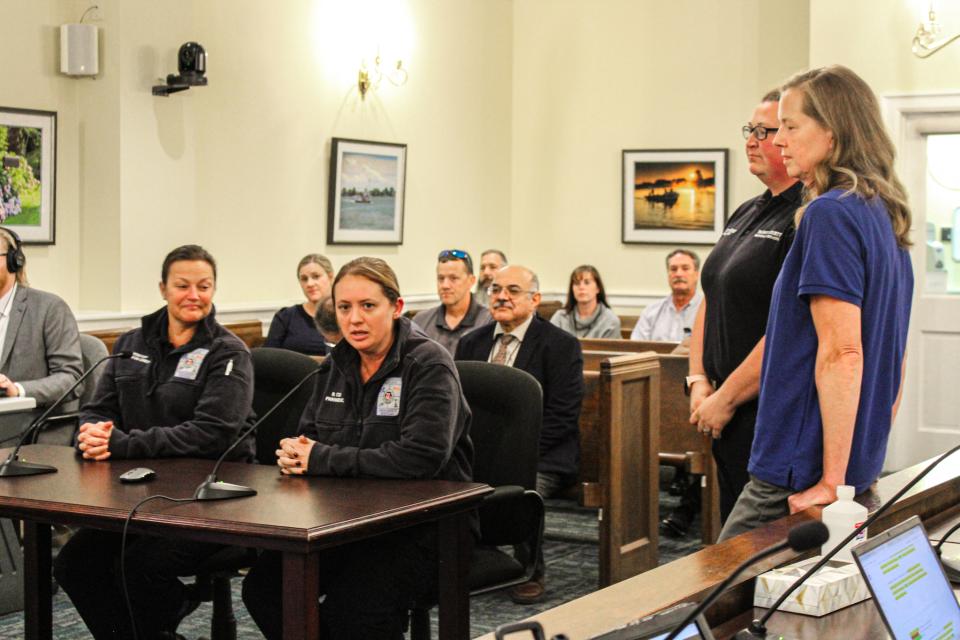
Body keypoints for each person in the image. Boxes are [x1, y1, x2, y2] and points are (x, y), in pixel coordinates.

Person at [718, 66, 913, 540]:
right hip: (853, 460)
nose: (778, 140)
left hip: (798, 463)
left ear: (832, 131)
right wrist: (861, 454)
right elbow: (894, 356)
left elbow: (843, 352)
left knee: (707, 599)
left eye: (790, 125)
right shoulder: (883, 214)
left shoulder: (830, 214)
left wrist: (830, 479)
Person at [241, 257, 473, 640]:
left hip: (424, 526)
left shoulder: (428, 363)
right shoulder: (336, 364)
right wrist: (295, 454)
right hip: (345, 520)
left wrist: (321, 458)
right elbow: (309, 436)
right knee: (266, 588)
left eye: (368, 306)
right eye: (345, 308)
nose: (355, 319)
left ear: (396, 308)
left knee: (356, 609)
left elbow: (422, 457)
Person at [53, 245, 257, 640]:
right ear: (163, 288)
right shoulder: (132, 342)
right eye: (183, 285)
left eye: (204, 286)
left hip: (206, 500)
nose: (193, 295)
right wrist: (92, 434)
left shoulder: (228, 352)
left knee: (139, 567)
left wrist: (121, 444)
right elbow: (97, 409)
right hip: (136, 495)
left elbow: (212, 432)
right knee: (74, 565)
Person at [684, 90, 802, 527]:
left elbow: (791, 326)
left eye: (765, 131)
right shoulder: (747, 211)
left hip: (761, 406)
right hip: (722, 403)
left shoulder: (804, 215)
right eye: (749, 130)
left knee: (754, 540)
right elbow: (711, 297)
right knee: (730, 523)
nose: (752, 140)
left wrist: (727, 398)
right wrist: (698, 379)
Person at [456, 264, 583, 604]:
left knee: (524, 485)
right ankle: (468, 560)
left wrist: (516, 452)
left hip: (544, 453)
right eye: (495, 289)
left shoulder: (560, 346)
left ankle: (530, 568)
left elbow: (562, 415)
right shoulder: (471, 343)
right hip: (478, 451)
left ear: (535, 299)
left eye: (513, 290)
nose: (501, 297)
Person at [0, 226, 83, 444]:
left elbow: (71, 378)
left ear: (13, 261)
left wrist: (16, 389)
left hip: (28, 429)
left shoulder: (49, 308)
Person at [412, 249, 492, 355]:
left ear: (471, 281)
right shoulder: (421, 321)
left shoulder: (488, 321)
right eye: (441, 278)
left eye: (453, 278)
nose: (445, 285)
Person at [264, 253, 334, 356]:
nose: (309, 284)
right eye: (304, 279)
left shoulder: (343, 315)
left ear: (331, 277)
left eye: (316, 276)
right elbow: (268, 357)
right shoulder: (286, 316)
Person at [630, 250, 703, 342]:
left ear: (697, 274)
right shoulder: (651, 311)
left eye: (685, 268)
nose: (678, 274)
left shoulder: (707, 310)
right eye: (673, 269)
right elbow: (636, 347)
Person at [550, 265, 621, 339]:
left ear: (598, 288)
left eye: (587, 283)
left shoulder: (610, 321)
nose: (581, 287)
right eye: (577, 283)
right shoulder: (560, 317)